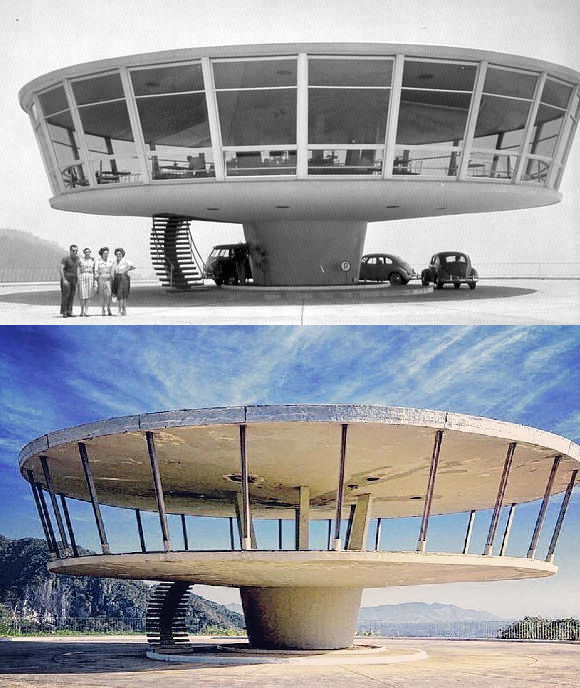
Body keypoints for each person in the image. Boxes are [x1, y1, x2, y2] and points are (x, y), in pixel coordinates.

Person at [111, 248, 135, 316]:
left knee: (121, 295)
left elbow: (133, 267)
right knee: (122, 295)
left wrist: (125, 270)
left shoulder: (125, 260)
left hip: (124, 278)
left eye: (120, 254)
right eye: (117, 254)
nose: (118, 255)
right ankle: (124, 311)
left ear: (122, 254)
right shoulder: (115, 261)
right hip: (117, 278)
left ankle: (119, 311)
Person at [59, 245, 80, 318]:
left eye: (76, 250)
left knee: (72, 296)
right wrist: (64, 280)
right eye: (73, 250)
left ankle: (69, 312)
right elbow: (61, 269)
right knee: (65, 296)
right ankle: (64, 312)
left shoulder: (77, 258)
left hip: (74, 279)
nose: (75, 252)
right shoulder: (65, 258)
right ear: (70, 251)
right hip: (66, 279)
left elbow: (79, 268)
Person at [78, 247, 96, 317]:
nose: (87, 253)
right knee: (82, 295)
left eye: (88, 252)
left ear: (90, 252)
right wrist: (78, 278)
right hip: (83, 276)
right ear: (84, 253)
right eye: (86, 252)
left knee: (89, 295)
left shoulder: (93, 260)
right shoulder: (80, 260)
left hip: (90, 276)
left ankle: (86, 311)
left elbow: (95, 270)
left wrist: (95, 280)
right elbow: (78, 269)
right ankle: (81, 311)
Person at [96, 247, 114, 316]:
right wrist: (95, 279)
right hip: (101, 279)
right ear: (102, 254)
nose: (107, 254)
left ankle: (108, 308)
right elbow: (96, 271)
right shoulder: (98, 261)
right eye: (105, 253)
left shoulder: (111, 260)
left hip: (109, 279)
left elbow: (114, 269)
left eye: (107, 253)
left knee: (109, 295)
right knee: (102, 295)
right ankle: (103, 309)